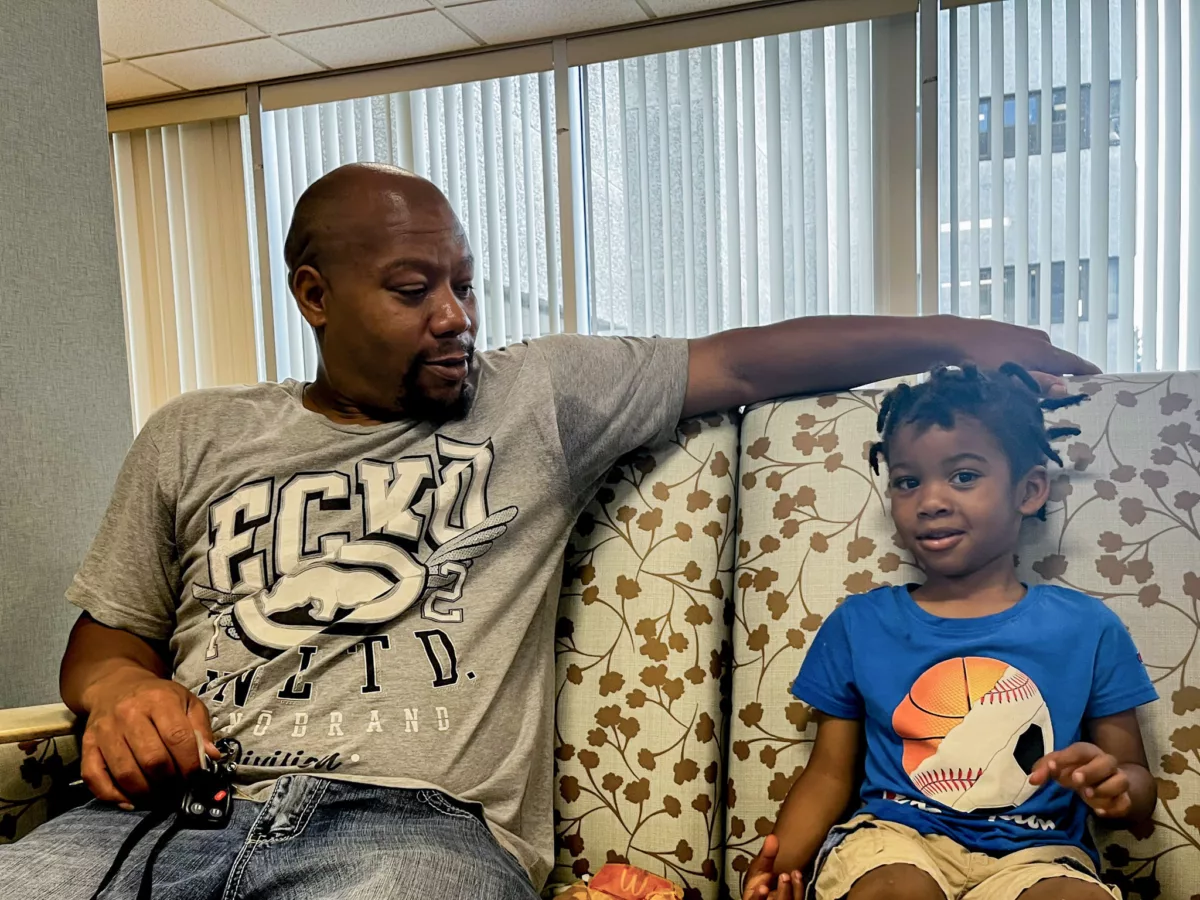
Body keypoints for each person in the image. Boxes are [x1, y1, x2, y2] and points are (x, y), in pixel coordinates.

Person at [0, 163, 1099, 900]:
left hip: (409, 831)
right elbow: (104, 643)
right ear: (313, 293)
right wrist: (119, 693)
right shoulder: (194, 434)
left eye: (465, 283)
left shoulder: (536, 400)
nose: (456, 315)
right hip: (176, 814)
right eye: (412, 288)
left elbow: (748, 359)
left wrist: (977, 333)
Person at [741, 364, 1158, 900]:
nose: (931, 500)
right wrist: (776, 866)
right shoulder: (859, 625)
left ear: (1029, 490)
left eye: (963, 476)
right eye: (907, 481)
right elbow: (827, 776)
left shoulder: (1088, 628)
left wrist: (1118, 787)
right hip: (894, 842)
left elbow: (1136, 782)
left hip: (1040, 855)